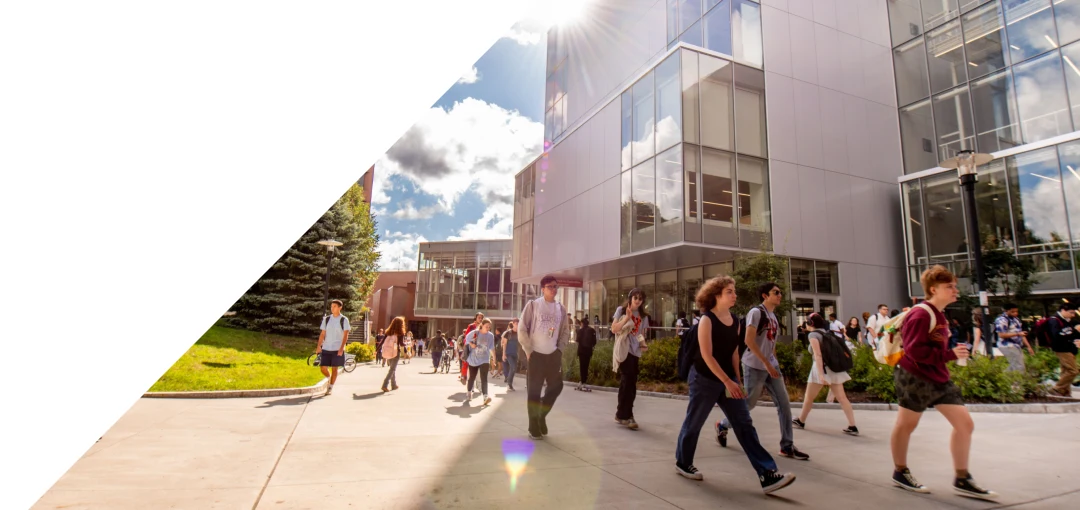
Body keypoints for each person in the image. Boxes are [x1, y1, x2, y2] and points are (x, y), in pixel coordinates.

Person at [674, 275, 796, 494]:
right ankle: (683, 462)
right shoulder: (706, 320)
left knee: (744, 424)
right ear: (716, 295)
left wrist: (737, 380)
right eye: (730, 291)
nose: (734, 295)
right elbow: (707, 356)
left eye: (734, 291)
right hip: (704, 379)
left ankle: (768, 474)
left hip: (728, 380)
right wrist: (727, 381)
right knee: (694, 422)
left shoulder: (735, 321)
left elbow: (734, 352)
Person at [889, 265, 997, 500]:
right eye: (949, 287)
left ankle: (962, 478)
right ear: (933, 289)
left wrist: (948, 352)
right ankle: (900, 471)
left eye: (954, 286)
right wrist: (950, 355)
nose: (954, 290)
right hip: (914, 377)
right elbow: (914, 351)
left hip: (938, 378)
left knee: (965, 424)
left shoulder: (939, 315)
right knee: (906, 425)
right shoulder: (920, 314)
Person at [716, 282, 809, 461]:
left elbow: (770, 343)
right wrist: (766, 363)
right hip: (754, 366)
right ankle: (723, 424)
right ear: (765, 296)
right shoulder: (756, 313)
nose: (780, 295)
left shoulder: (773, 316)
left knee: (784, 404)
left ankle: (787, 446)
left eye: (780, 292)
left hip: (770, 367)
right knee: (749, 404)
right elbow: (749, 341)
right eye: (776, 292)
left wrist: (774, 363)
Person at [518, 274, 571, 440]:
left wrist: (560, 350)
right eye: (550, 287)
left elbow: (564, 331)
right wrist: (528, 349)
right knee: (533, 392)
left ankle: (541, 415)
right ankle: (533, 425)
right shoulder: (533, 305)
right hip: (536, 355)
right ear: (543, 289)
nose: (553, 289)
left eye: (555, 286)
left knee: (556, 387)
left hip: (553, 355)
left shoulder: (560, 309)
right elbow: (522, 328)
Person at [792, 313, 858, 435]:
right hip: (834, 368)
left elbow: (818, 355)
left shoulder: (813, 335)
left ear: (811, 324)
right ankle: (852, 425)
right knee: (842, 398)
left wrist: (821, 375)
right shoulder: (827, 333)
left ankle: (801, 421)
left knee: (809, 397)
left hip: (820, 368)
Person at [612, 288, 651, 430]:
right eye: (636, 298)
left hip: (635, 352)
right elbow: (614, 329)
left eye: (640, 299)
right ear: (630, 298)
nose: (638, 301)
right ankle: (628, 415)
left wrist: (643, 343)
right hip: (624, 349)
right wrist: (627, 318)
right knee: (628, 381)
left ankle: (621, 414)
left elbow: (640, 334)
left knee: (630, 383)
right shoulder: (621, 310)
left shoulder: (643, 316)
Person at [315, 300, 350, 396]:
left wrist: (341, 348)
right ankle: (328, 377)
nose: (332, 308)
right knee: (322, 368)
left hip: (337, 349)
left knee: (335, 369)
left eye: (334, 306)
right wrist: (319, 346)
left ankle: (330, 387)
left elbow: (346, 335)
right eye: (331, 306)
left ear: (340, 308)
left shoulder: (344, 320)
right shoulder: (326, 319)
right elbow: (322, 334)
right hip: (326, 348)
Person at [1046, 303, 1079, 397]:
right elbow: (1057, 335)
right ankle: (1057, 388)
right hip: (1062, 348)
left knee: (1066, 371)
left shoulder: (1066, 320)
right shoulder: (1054, 321)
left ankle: (1065, 391)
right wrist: (1072, 332)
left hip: (1069, 348)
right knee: (1073, 371)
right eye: (1071, 313)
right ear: (1063, 310)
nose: (1073, 315)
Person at [994, 303, 1034, 373]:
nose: (1015, 313)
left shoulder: (1016, 319)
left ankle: (1003, 378)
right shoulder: (1001, 320)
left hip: (1016, 345)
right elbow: (1001, 335)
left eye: (1016, 311)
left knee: (1016, 365)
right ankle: (1017, 382)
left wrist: (1028, 346)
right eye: (1013, 312)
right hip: (1007, 345)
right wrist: (1018, 334)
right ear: (1006, 311)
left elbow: (1021, 334)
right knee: (1019, 366)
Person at [465, 319, 496, 405]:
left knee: (484, 378)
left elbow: (491, 347)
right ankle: (469, 392)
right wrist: (471, 344)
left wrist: (494, 358)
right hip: (473, 359)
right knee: (472, 377)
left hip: (484, 359)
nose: (488, 328)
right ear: (482, 325)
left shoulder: (490, 336)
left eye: (489, 327)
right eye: (487, 326)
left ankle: (485, 396)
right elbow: (466, 339)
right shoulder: (475, 333)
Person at [381, 317, 406, 392]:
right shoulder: (400, 333)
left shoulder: (388, 332)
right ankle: (385, 385)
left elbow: (382, 341)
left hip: (388, 351)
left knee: (392, 368)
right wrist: (407, 344)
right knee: (392, 369)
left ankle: (393, 385)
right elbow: (401, 344)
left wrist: (376, 350)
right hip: (395, 352)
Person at [461, 313, 484, 384]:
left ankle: (478, 382)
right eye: (479, 317)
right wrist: (469, 344)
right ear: (476, 318)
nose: (480, 319)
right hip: (470, 346)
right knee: (466, 361)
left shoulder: (483, 327)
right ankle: (463, 376)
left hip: (479, 347)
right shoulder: (471, 326)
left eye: (481, 318)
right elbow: (466, 337)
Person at [576, 316, 597, 392]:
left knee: (582, 366)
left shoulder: (580, 330)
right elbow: (594, 342)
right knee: (586, 366)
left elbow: (577, 340)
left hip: (581, 351)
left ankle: (582, 381)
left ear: (582, 323)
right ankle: (584, 381)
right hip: (588, 351)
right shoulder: (592, 330)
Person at [502, 319, 520, 391]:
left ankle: (510, 384)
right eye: (516, 323)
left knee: (514, 368)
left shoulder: (520, 333)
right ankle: (509, 384)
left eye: (518, 323)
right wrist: (503, 354)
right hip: (509, 353)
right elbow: (504, 344)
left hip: (516, 354)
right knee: (512, 367)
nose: (517, 325)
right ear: (513, 324)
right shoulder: (508, 333)